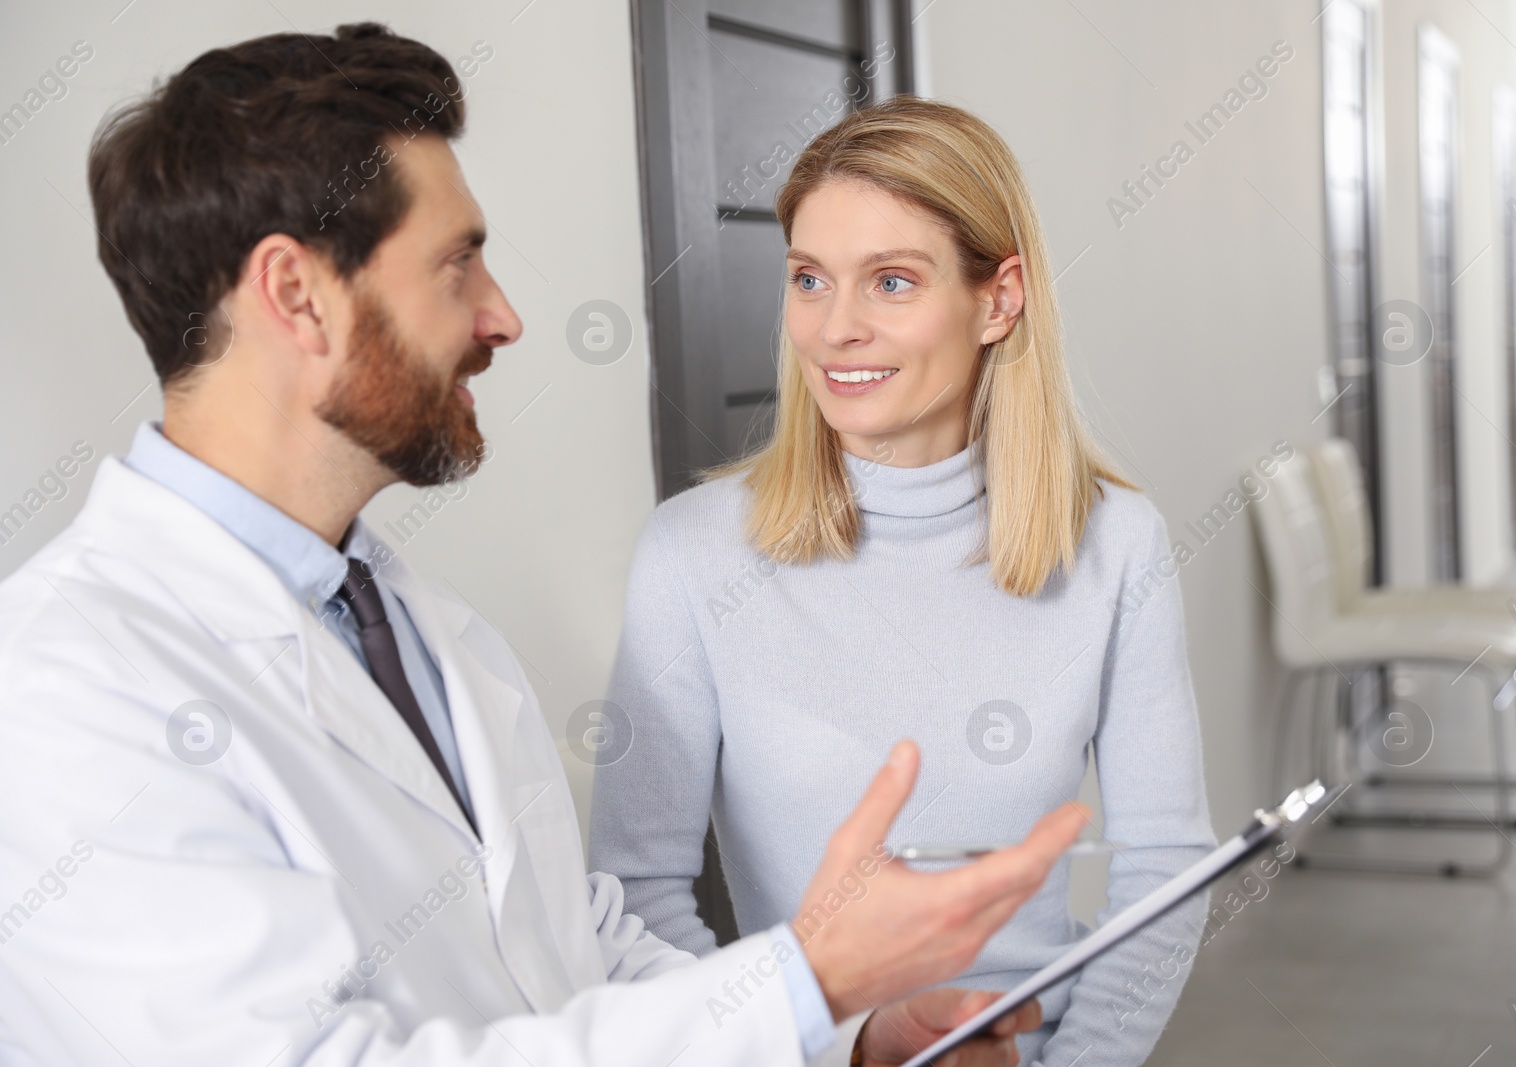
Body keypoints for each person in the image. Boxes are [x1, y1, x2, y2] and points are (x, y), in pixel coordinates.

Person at [0, 26, 1091, 1067]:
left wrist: (844, 1036)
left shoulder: (415, 627)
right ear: (298, 294)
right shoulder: (64, 688)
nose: (503, 316)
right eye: (457, 264)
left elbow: (583, 955)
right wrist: (800, 984)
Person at [590, 98, 1216, 1066]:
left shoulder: (1116, 546)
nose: (834, 328)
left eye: (889, 281)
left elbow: (1164, 867)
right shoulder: (692, 554)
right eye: (808, 278)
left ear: (998, 299)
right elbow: (636, 894)